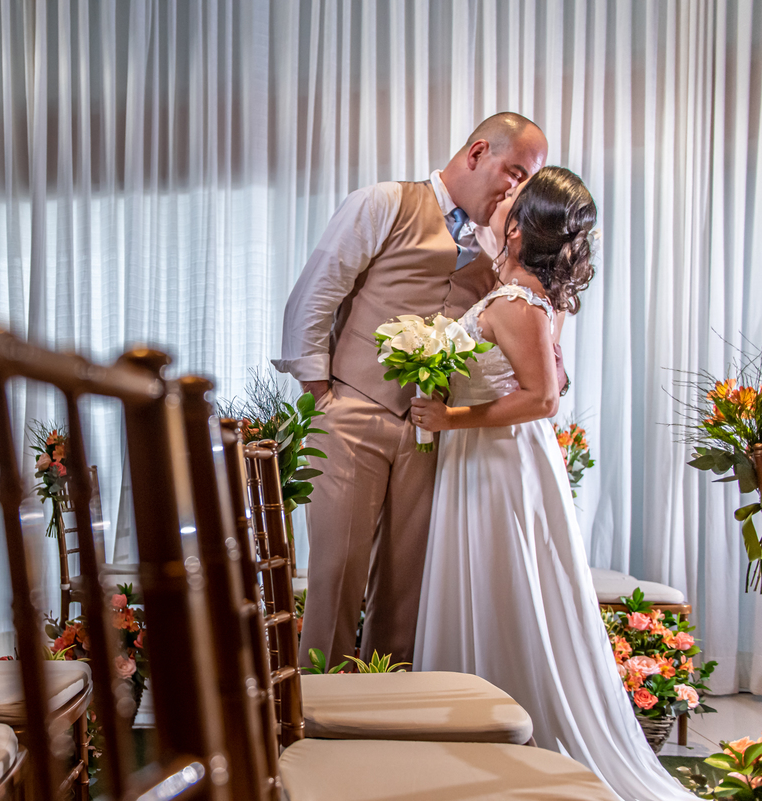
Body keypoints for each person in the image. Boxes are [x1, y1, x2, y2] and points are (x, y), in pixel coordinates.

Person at [411, 167, 693, 800]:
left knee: (502, 584)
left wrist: (450, 415)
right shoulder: (527, 291)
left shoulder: (517, 303)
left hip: (498, 462)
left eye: (512, 198)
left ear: (519, 227)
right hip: (496, 459)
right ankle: (479, 725)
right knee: (501, 585)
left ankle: (501, 731)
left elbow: (542, 400)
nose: (502, 198)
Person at [273, 113, 548, 667]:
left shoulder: (496, 242)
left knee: (409, 588)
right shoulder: (385, 202)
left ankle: (385, 720)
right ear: (477, 154)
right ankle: (317, 721)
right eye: (514, 172)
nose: (516, 191)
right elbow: (316, 294)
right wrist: (322, 392)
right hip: (351, 412)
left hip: (433, 431)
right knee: (336, 576)